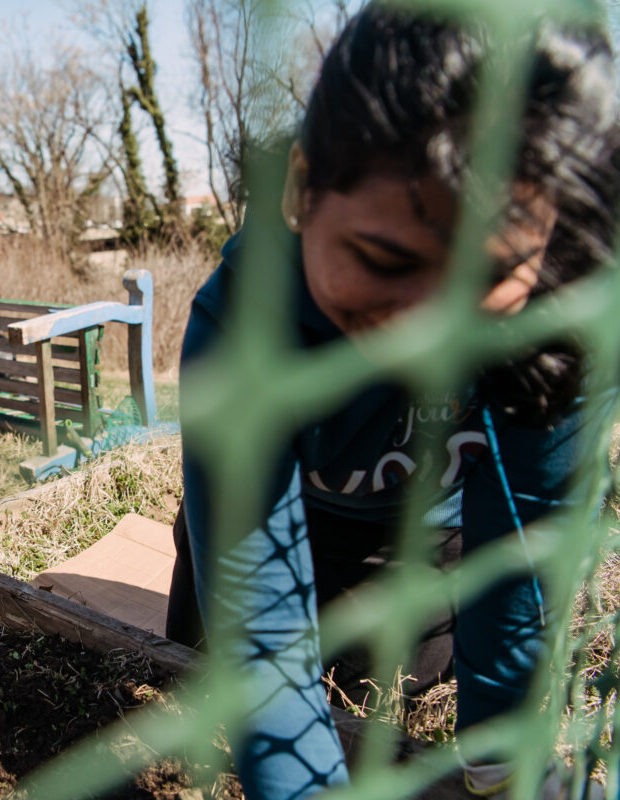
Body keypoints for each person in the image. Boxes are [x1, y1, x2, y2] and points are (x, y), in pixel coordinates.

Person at [167, 5, 620, 799]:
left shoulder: (568, 313)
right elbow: (262, 638)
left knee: (385, 712)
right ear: (301, 189)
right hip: (278, 525)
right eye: (383, 259)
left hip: (420, 553)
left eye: (483, 280)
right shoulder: (238, 331)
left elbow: (520, 545)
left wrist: (498, 756)